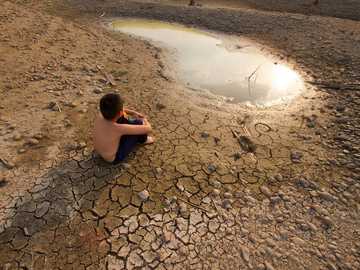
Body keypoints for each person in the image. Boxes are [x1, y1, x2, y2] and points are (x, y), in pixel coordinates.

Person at [93, 93, 154, 164]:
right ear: (120, 112)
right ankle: (143, 140)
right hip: (114, 158)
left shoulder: (100, 116)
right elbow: (149, 128)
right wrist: (144, 119)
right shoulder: (119, 128)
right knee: (138, 122)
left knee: (121, 118)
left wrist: (133, 112)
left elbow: (121, 111)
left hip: (100, 152)